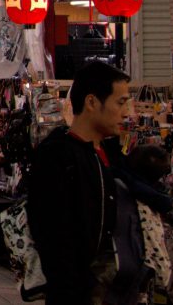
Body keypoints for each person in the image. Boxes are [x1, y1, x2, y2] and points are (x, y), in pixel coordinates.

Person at [27, 61, 132, 304]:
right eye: (120, 102)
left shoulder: (107, 152)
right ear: (92, 102)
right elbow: (52, 237)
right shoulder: (57, 157)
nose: (126, 113)